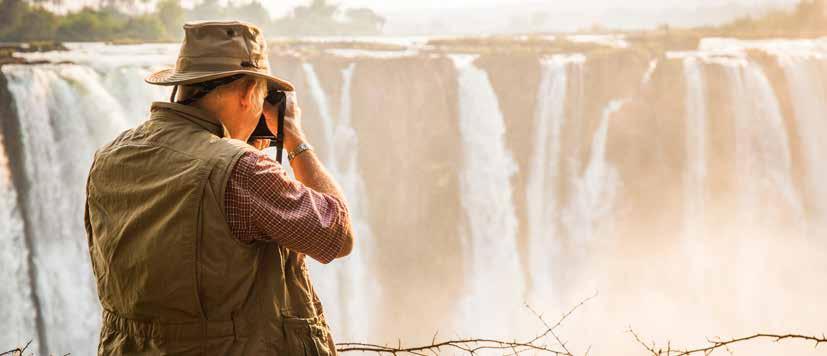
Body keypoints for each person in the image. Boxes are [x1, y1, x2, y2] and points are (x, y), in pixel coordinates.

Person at [83, 20, 354, 355]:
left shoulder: (109, 158)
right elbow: (338, 235)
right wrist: (295, 138)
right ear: (245, 92)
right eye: (261, 95)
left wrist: (240, 145)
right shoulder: (243, 171)